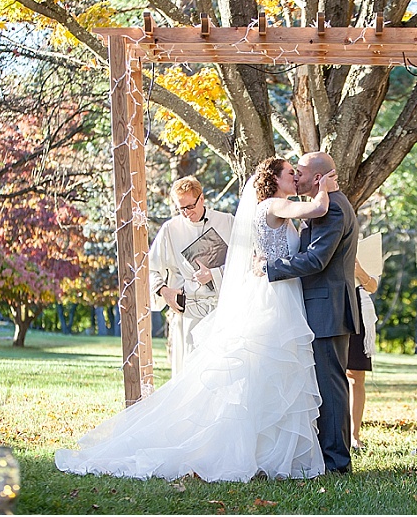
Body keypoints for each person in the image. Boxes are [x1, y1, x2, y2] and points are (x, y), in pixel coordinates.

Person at [55, 161, 336, 482]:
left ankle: (270, 453)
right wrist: (325, 183)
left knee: (271, 372)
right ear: (273, 179)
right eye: (291, 173)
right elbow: (317, 209)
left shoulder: (269, 209)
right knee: (265, 369)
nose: (296, 178)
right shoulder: (273, 204)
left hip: (281, 293)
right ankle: (251, 451)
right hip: (272, 299)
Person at [265, 151, 360, 474]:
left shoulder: (331, 209)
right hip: (319, 307)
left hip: (328, 308)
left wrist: (268, 269)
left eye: (301, 171)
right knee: (323, 384)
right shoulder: (320, 205)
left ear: (317, 177)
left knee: (330, 386)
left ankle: (336, 462)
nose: (296, 177)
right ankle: (324, 455)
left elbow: (317, 260)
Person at [149, 176, 235, 374]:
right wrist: (163, 291)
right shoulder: (170, 229)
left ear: (202, 198)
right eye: (181, 209)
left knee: (221, 369)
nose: (187, 213)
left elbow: (244, 263)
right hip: (188, 310)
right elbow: (151, 268)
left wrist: (214, 274)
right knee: (190, 369)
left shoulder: (227, 222)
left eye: (190, 206)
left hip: (222, 308)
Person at [347, 258, 379, 451]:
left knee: (356, 375)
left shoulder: (366, 249)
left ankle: (354, 435)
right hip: (331, 305)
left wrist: (359, 271)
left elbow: (373, 286)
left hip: (359, 311)